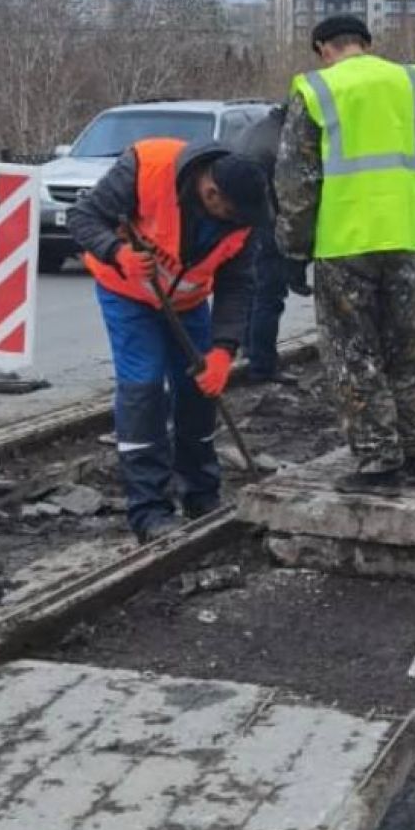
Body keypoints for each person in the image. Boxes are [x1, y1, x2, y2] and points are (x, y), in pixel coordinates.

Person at [276, 13, 415, 493]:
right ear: (367, 44)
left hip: (344, 240)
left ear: (322, 48)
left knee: (355, 355)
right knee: (406, 350)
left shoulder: (316, 89)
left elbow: (296, 181)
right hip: (403, 236)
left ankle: (379, 463)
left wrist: (293, 248)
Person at [68, 138, 266, 542]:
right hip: (128, 293)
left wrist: (223, 351)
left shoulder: (245, 216)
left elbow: (238, 285)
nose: (235, 223)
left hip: (188, 302)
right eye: (228, 213)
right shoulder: (148, 166)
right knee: (143, 387)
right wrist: (117, 251)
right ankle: (150, 511)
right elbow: (83, 217)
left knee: (198, 388)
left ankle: (201, 493)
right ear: (211, 193)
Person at [234, 102, 303, 384]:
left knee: (251, 291)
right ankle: (263, 365)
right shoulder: (285, 140)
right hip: (268, 223)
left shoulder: (255, 129)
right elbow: (293, 193)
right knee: (270, 296)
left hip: (244, 220)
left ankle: (248, 352)